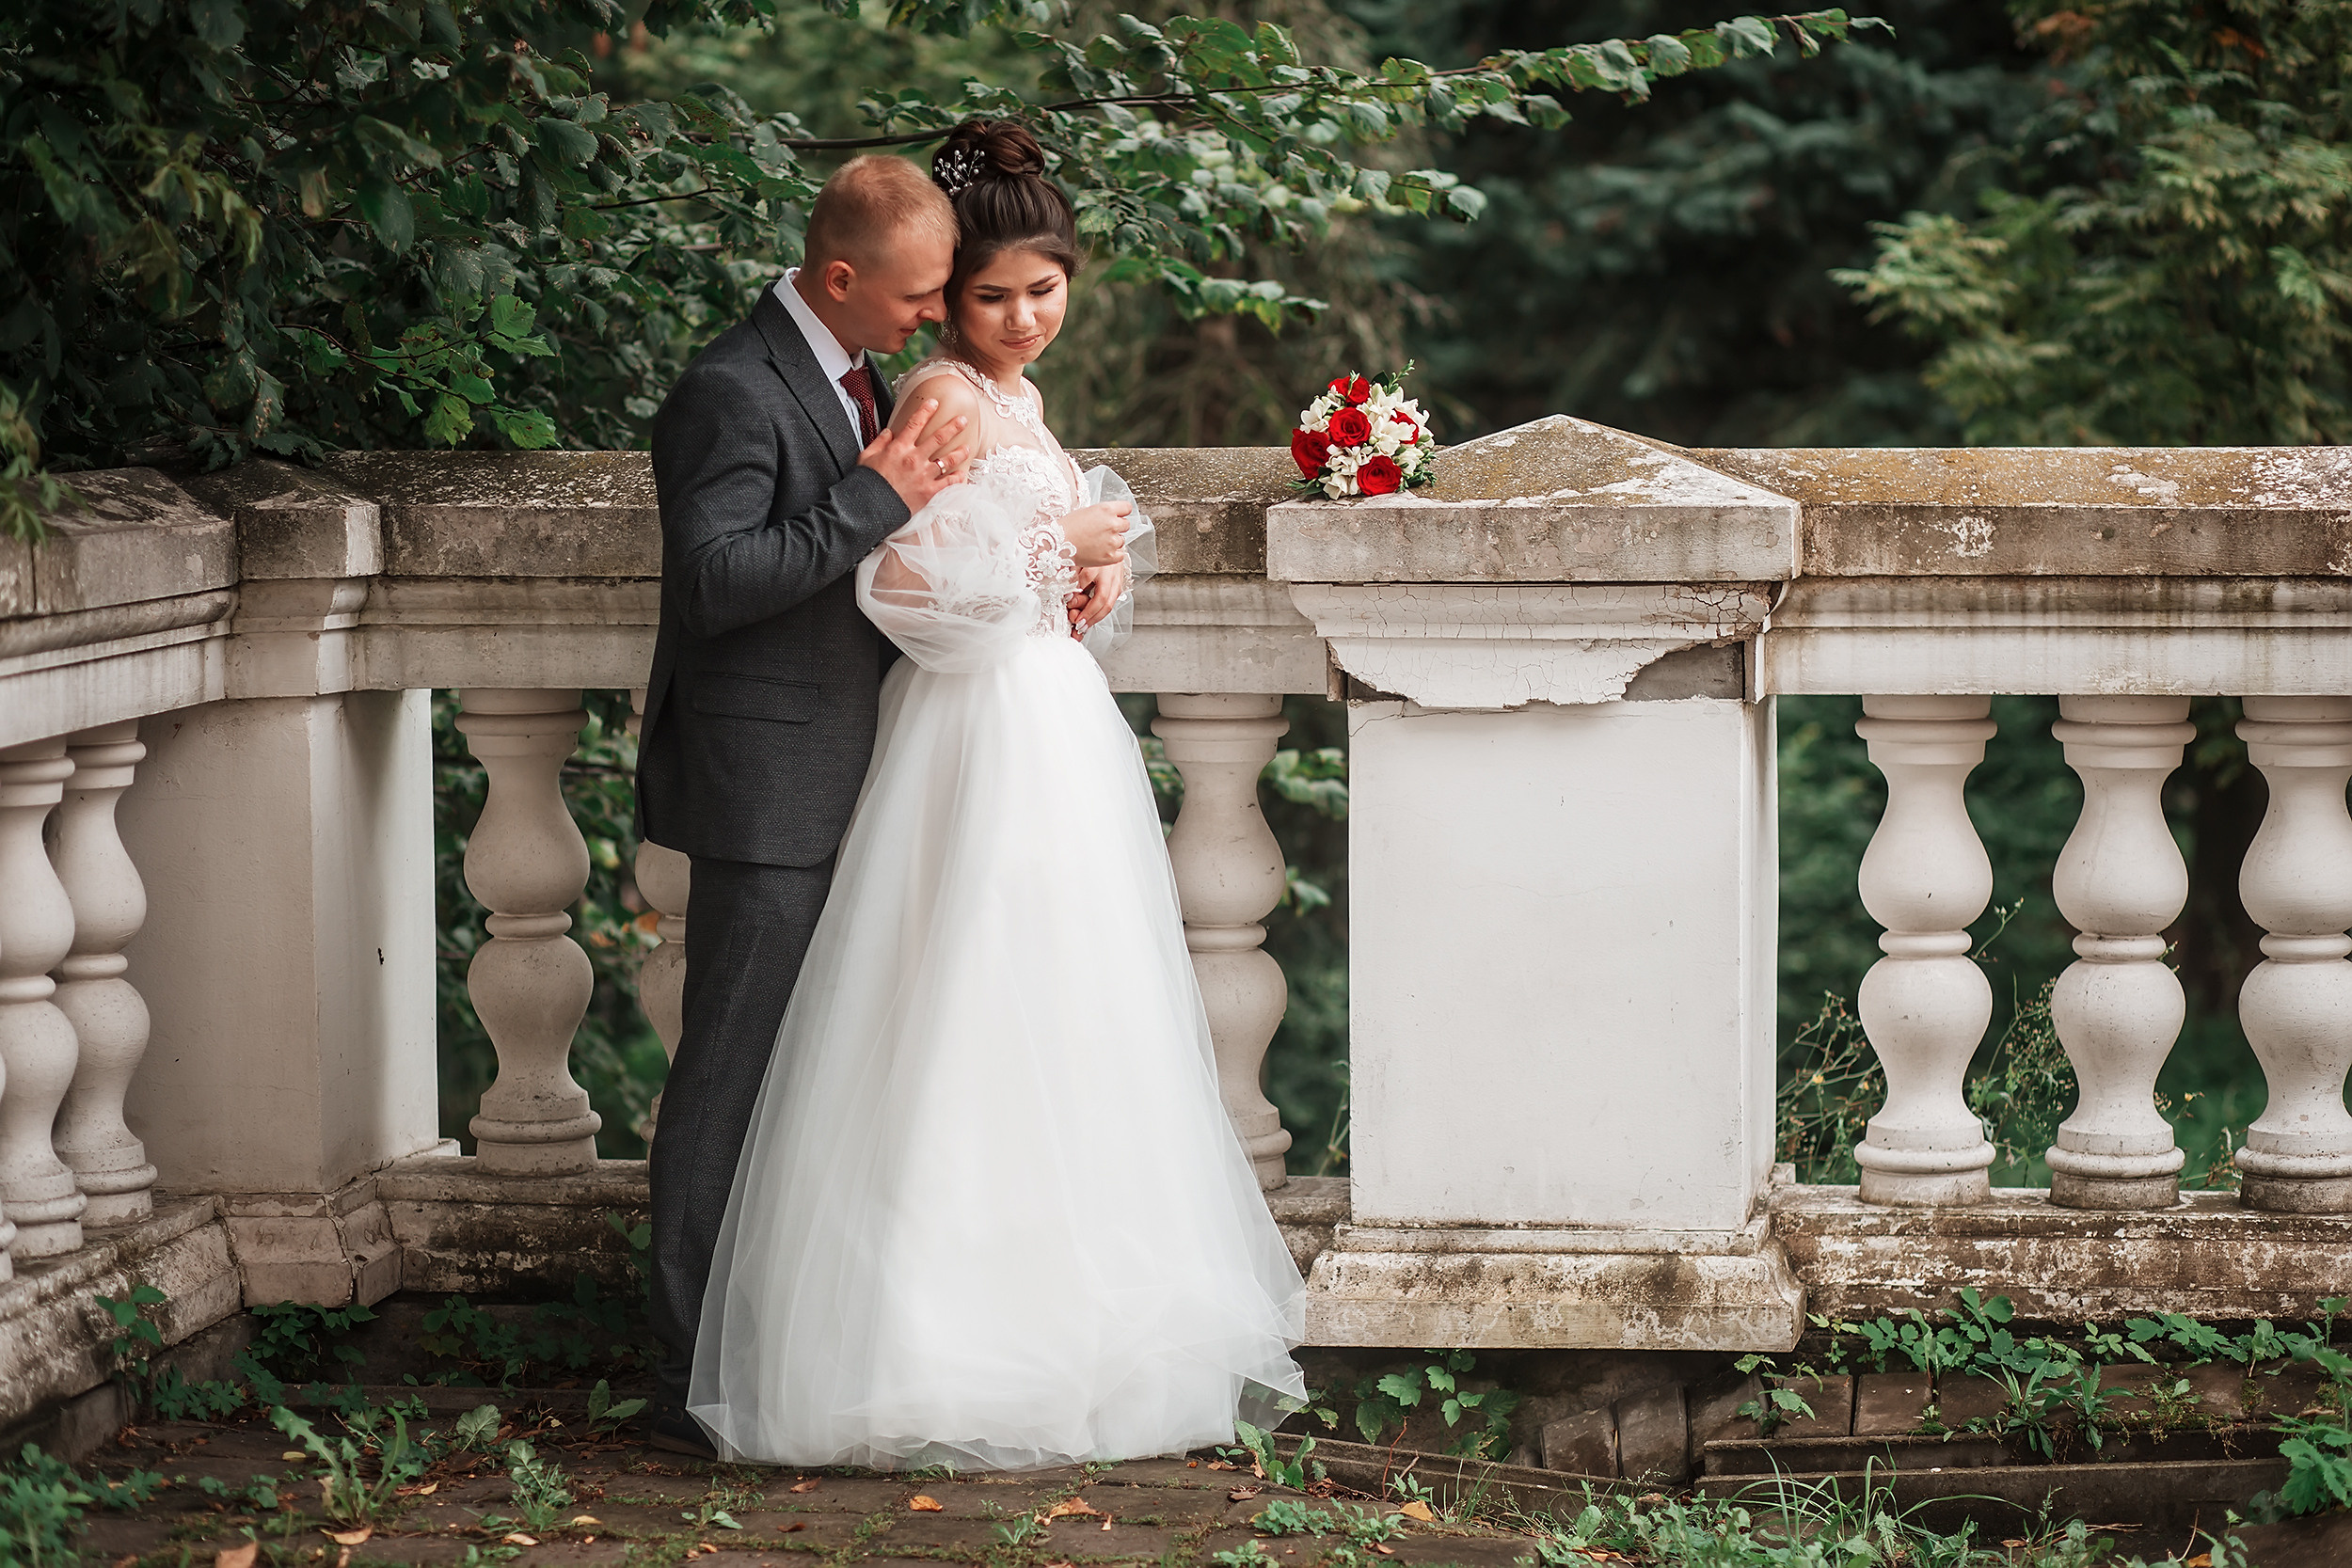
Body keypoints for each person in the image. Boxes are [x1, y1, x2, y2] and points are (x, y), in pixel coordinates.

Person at [684, 119, 1307, 1469]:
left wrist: (1092, 571)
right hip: (976, 735)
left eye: (1045, 288)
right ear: (944, 296)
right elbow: (898, 586)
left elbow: (1014, 556)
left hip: (1048, 723)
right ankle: (931, 1342)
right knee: (966, 1001)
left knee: (1066, 1013)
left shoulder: (1015, 404)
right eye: (987, 295)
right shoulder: (945, 398)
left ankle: (1072, 1320)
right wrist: (1046, 542)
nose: (1021, 316)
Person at [633, 151, 1136, 1457]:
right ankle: (699, 1375)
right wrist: (884, 501)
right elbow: (715, 584)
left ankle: (770, 1343)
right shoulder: (730, 388)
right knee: (732, 1073)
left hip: (886, 759)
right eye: (931, 294)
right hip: (772, 780)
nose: (939, 314)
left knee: (834, 1082)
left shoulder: (853, 370)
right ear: (847, 278)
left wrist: (1055, 577)